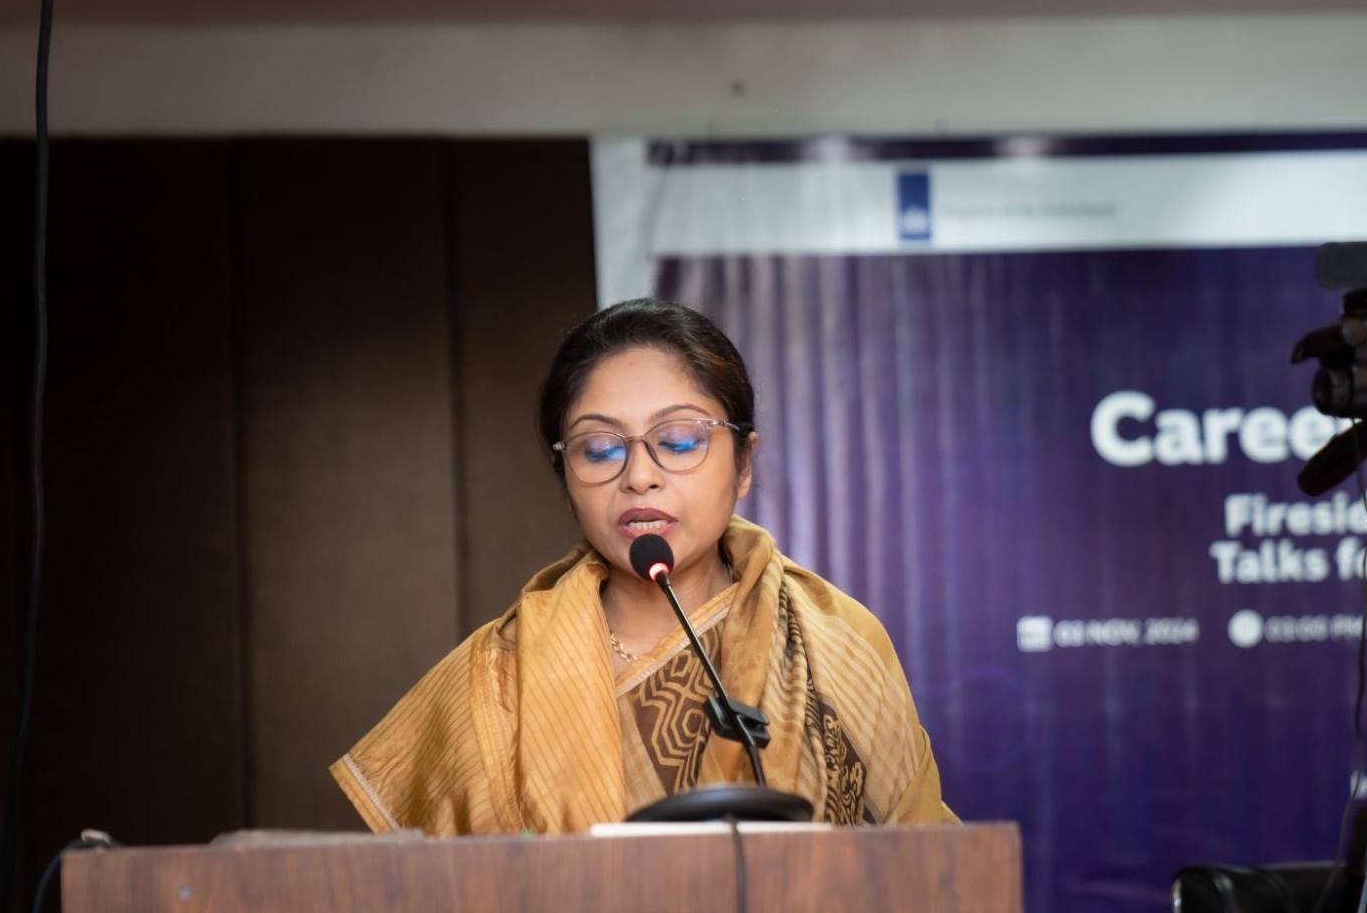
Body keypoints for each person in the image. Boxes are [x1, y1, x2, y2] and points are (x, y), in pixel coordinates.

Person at [330, 298, 957, 834]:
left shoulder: (838, 639)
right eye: (599, 449)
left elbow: (933, 877)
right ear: (565, 475)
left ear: (744, 464)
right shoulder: (493, 686)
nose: (639, 477)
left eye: (679, 440)